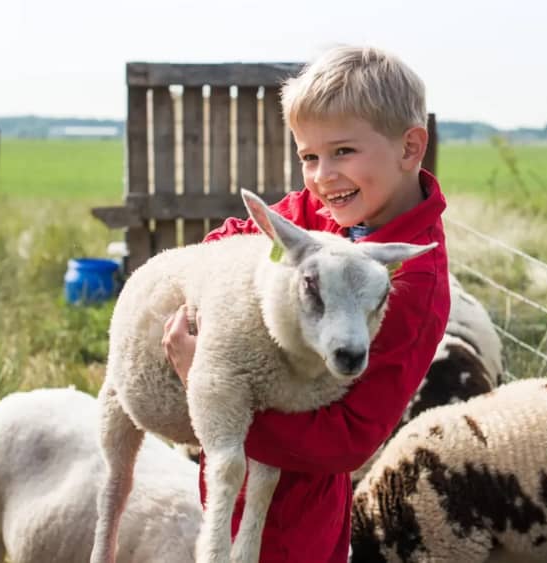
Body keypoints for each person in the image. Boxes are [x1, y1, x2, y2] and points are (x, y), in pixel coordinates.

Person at [161, 45, 450, 563]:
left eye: (342, 152)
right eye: (308, 157)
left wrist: (208, 382)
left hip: (295, 515)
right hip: (229, 481)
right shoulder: (317, 215)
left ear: (410, 149)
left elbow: (348, 439)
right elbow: (233, 240)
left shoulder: (413, 284)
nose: (321, 176)